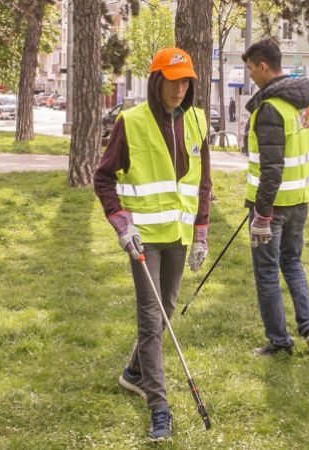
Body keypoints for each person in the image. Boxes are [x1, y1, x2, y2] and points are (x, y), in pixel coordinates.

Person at [94, 47, 212, 442]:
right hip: (143, 237)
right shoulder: (132, 121)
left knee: (166, 312)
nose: (179, 89)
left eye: (185, 82)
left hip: (178, 235)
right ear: (156, 80)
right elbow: (103, 177)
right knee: (150, 318)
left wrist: (201, 231)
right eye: (172, 80)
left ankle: (133, 373)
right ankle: (159, 407)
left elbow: (203, 182)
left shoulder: (197, 122)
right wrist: (120, 222)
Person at [240, 38, 309, 357]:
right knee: (292, 262)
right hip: (301, 200)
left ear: (264, 67)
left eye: (250, 69)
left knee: (266, 272)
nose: (249, 75)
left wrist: (261, 214)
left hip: (272, 208)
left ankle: (279, 342)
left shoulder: (270, 108)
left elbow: (272, 169)